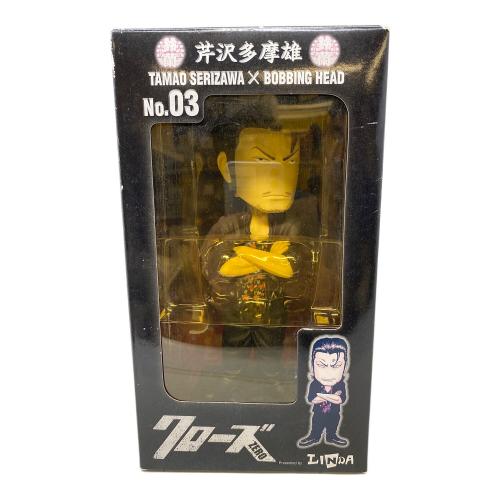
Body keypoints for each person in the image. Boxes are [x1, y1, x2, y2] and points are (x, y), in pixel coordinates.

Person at [297, 336, 350, 448]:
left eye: (336, 366)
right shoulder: (314, 384)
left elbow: (339, 400)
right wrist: (331, 396)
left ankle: (332, 436)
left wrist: (322, 395)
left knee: (333, 425)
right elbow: (313, 399)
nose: (328, 372)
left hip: (334, 413)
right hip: (318, 413)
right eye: (321, 365)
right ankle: (314, 437)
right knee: (316, 426)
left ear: (344, 367)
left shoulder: (341, 385)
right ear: (312, 366)